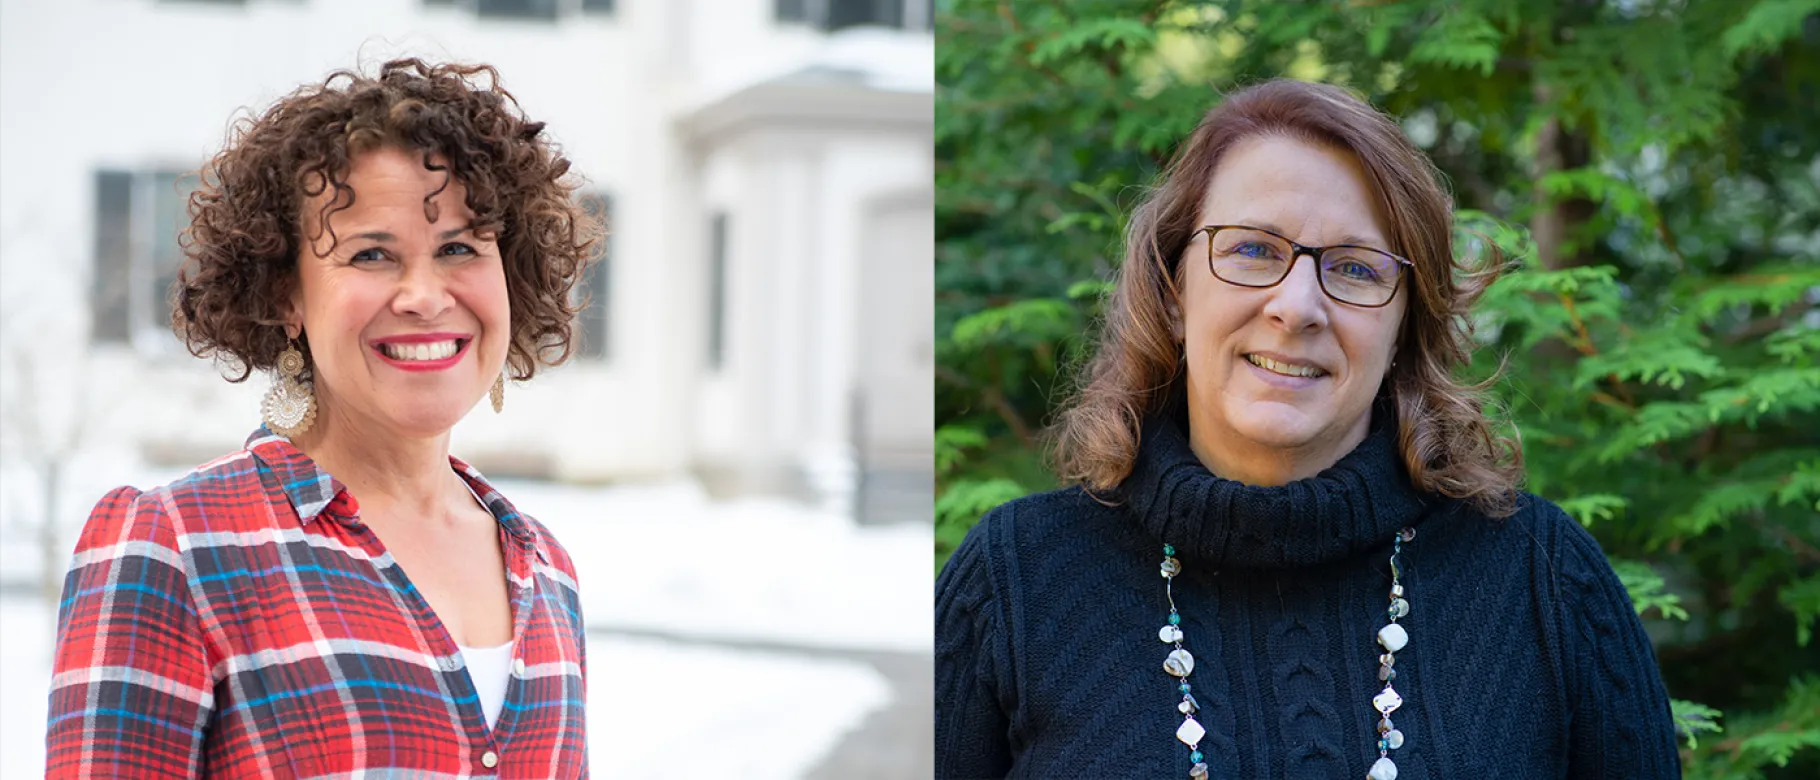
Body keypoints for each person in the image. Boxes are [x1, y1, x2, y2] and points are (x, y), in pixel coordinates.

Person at [934, 80, 1680, 779]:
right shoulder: (1015, 582)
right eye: (1252, 249)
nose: (1297, 308)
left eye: (1356, 269)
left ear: (1405, 325)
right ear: (1171, 290)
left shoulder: (1543, 581)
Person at [46, 59, 601, 778]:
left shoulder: (546, 570)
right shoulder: (175, 549)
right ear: (287, 295)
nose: (424, 295)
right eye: (371, 254)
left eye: (460, 248)